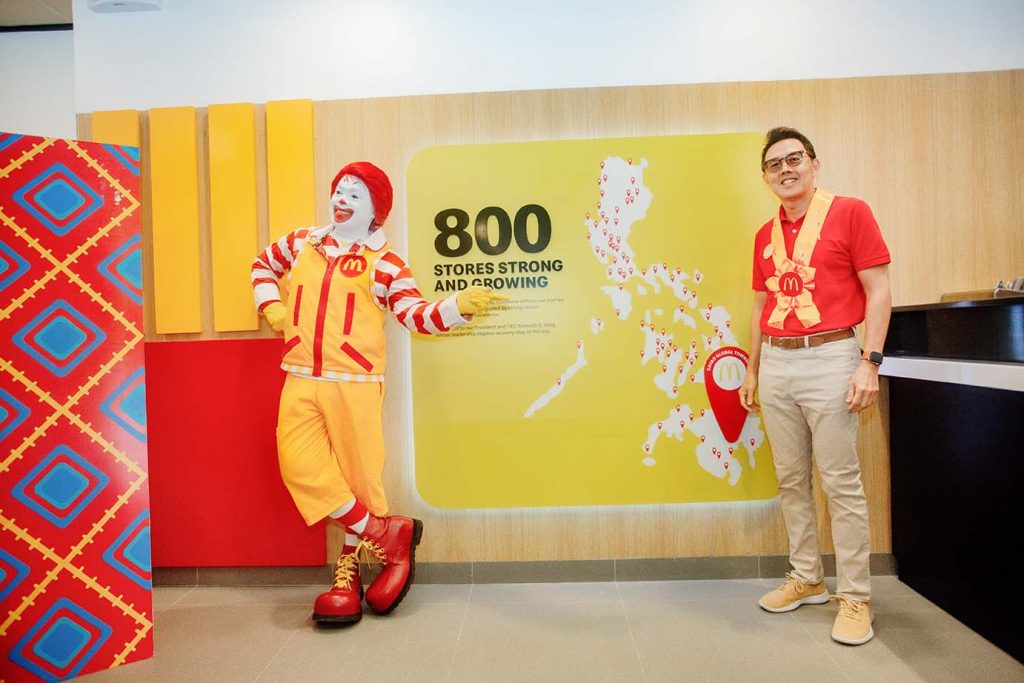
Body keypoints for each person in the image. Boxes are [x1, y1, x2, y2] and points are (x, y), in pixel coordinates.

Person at [251, 161, 503, 625]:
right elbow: (263, 264)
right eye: (339, 190)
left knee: (360, 479)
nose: (342, 199)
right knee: (298, 466)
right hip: (300, 375)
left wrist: (456, 307)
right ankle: (386, 534)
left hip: (356, 383)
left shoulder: (386, 264)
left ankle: (346, 576)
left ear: (375, 211)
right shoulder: (303, 242)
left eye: (355, 194)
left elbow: (415, 316)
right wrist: (273, 306)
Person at [738, 127, 892, 645]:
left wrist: (869, 363)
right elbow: (761, 306)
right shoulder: (764, 235)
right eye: (774, 164)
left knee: (840, 482)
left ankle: (856, 596)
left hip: (831, 356)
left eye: (794, 159)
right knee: (790, 479)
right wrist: (753, 369)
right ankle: (807, 577)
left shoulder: (851, 212)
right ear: (766, 177)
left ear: (814, 163)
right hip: (778, 361)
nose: (785, 169)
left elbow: (879, 290)